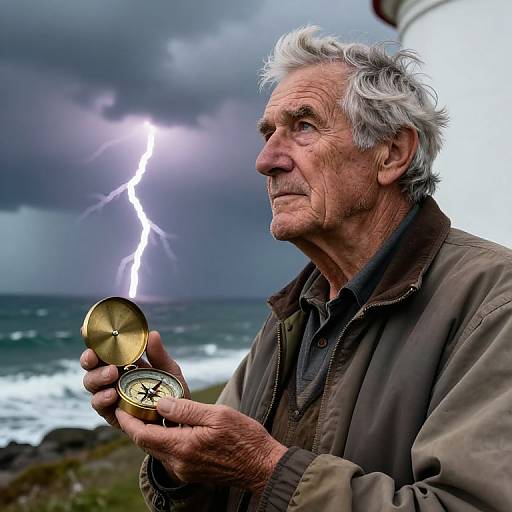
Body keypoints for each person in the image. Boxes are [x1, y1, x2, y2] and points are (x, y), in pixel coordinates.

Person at [80, 26, 512, 511]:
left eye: (303, 126)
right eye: (268, 133)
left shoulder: (495, 305)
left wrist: (268, 472)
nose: (266, 161)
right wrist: (174, 436)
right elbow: (223, 489)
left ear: (391, 153)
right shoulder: (291, 316)